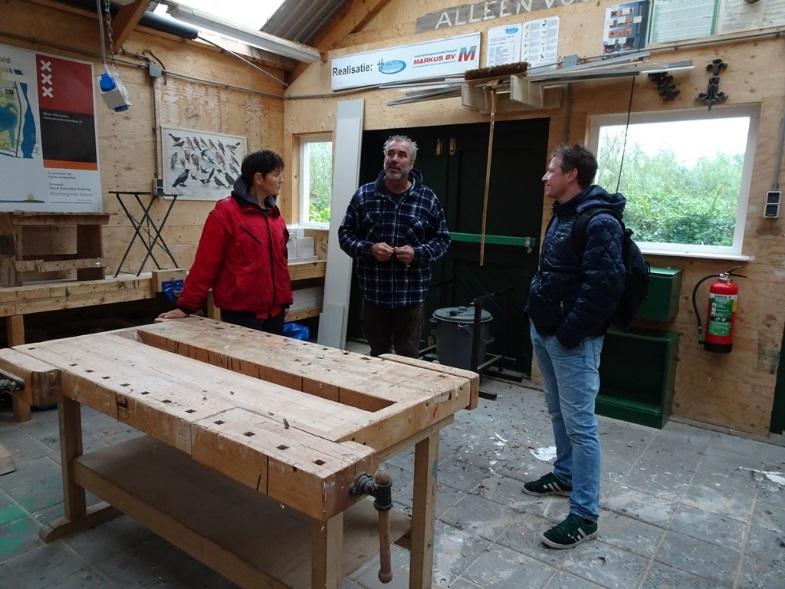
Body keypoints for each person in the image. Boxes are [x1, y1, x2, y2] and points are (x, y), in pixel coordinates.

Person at [523, 144, 626, 549]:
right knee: (558, 412)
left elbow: (606, 287)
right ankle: (564, 475)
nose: (545, 177)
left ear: (573, 176)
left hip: (572, 340)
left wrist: (567, 331)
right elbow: (555, 272)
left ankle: (585, 514)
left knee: (582, 427)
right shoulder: (563, 214)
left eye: (552, 171)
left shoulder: (599, 222)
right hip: (546, 331)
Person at [157, 149, 293, 335]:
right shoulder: (226, 213)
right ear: (259, 178)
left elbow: (280, 264)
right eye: (276, 175)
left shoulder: (275, 216)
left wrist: (284, 301)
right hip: (242, 314)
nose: (281, 180)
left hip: (275, 313)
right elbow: (206, 263)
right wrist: (186, 306)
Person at [338, 135, 450, 357]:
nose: (394, 159)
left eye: (402, 155)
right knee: (377, 354)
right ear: (384, 159)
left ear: (412, 163)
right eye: (390, 154)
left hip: (410, 298)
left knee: (408, 356)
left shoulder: (427, 198)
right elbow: (345, 235)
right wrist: (369, 249)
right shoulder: (364, 195)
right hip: (374, 296)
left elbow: (442, 239)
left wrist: (417, 254)